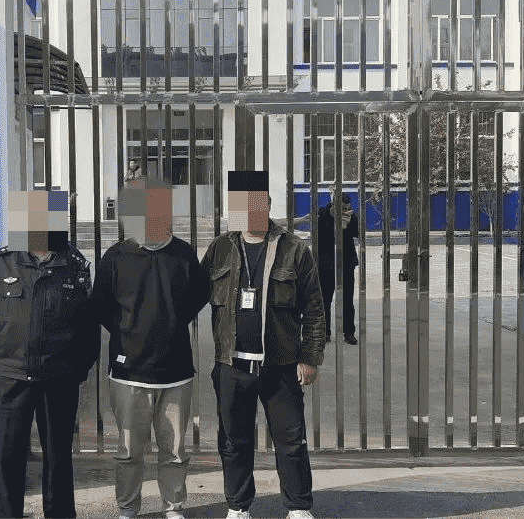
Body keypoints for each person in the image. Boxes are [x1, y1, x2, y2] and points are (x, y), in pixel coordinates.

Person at [199, 170, 326, 519]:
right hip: (232, 365)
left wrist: (310, 357)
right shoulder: (221, 248)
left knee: (291, 441)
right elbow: (192, 296)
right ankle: (238, 506)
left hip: (280, 365)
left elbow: (314, 308)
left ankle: (298, 507)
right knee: (234, 442)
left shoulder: (294, 249)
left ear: (268, 206)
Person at [0, 190, 99, 519]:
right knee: (7, 456)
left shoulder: (74, 264)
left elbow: (88, 326)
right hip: (12, 376)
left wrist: (78, 370)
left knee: (58, 456)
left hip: (59, 378)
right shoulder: (1, 262)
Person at [91, 176, 206, 519]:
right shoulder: (116, 256)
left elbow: (198, 297)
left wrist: (170, 324)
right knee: (129, 451)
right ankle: (128, 508)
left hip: (176, 371)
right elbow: (101, 307)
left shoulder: (183, 254)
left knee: (174, 450)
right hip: (128, 373)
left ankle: (173, 507)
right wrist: (129, 331)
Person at [317, 193, 359, 345]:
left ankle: (349, 333)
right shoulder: (322, 214)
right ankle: (324, 333)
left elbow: (358, 233)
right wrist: (336, 226)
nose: (345, 211)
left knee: (347, 300)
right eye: (342, 208)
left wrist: (348, 225)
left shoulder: (351, 216)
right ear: (333, 205)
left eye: (347, 208)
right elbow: (318, 236)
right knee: (324, 300)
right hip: (326, 264)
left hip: (346, 263)